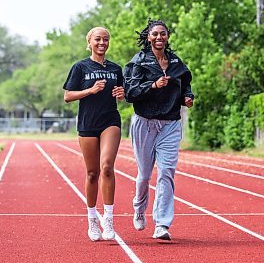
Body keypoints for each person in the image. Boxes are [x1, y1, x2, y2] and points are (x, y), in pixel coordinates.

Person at [123, 19, 194, 240]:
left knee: (166, 172)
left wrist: (187, 97)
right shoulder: (139, 62)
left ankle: (162, 224)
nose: (159, 37)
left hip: (170, 124)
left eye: (163, 34)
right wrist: (152, 85)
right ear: (148, 37)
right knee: (144, 175)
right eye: (155, 34)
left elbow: (186, 84)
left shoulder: (176, 63)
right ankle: (138, 207)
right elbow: (130, 92)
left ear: (168, 36)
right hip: (145, 123)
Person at [63, 27, 125, 241]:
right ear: (89, 42)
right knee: (92, 173)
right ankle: (92, 219)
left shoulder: (116, 69)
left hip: (110, 121)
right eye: (98, 39)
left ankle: (108, 220)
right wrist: (90, 90)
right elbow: (68, 96)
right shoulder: (80, 67)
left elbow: (123, 93)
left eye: (105, 39)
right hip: (88, 123)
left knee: (106, 167)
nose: (102, 42)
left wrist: (122, 93)